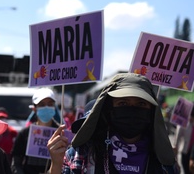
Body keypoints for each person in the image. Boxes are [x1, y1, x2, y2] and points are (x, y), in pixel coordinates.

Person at [48, 73, 178, 173]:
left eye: (141, 104)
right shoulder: (82, 153)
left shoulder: (163, 161)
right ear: (109, 109)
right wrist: (56, 166)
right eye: (123, 103)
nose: (132, 110)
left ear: (151, 112)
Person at [11, 87, 61, 174]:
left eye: (50, 104)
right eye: (42, 104)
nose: (46, 107)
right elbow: (16, 161)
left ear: (54, 107)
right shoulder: (24, 133)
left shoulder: (60, 133)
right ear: (34, 108)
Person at [173, 101, 194, 174]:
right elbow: (177, 140)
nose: (191, 119)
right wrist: (174, 156)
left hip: (193, 153)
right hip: (185, 152)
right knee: (187, 171)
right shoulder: (183, 123)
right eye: (191, 117)